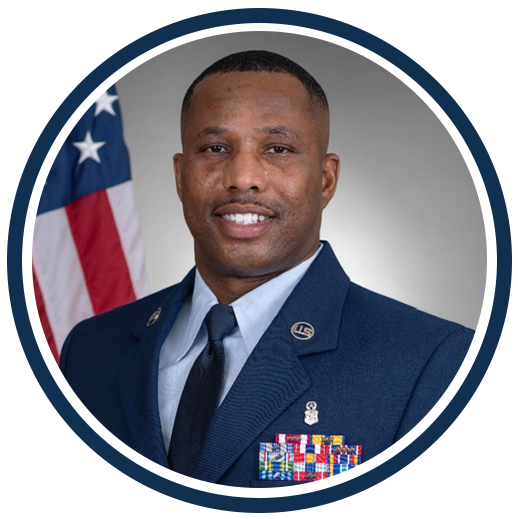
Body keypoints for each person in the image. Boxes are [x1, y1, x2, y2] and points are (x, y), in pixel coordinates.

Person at [59, 50, 475, 487]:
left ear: (326, 179)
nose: (243, 177)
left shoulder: (431, 363)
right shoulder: (91, 351)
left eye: (278, 149)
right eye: (215, 148)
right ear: (180, 176)